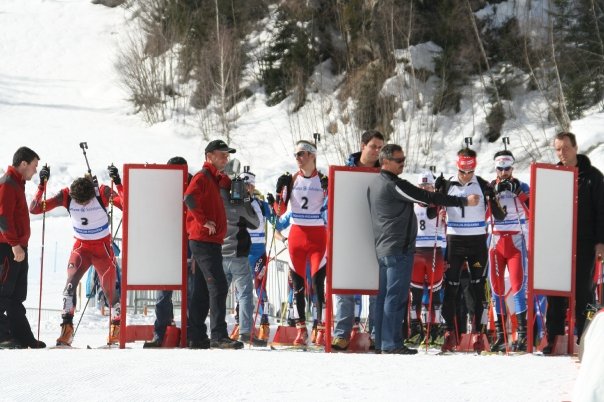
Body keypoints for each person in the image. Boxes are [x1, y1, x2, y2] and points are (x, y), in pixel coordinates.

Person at [367, 144, 479, 354]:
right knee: (396, 297)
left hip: (384, 246)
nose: (403, 164)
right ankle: (391, 344)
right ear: (385, 162)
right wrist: (463, 201)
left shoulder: (374, 184)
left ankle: (383, 341)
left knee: (384, 296)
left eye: (403, 159)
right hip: (398, 248)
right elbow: (427, 198)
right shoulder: (392, 184)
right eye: (399, 160)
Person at [29, 166, 123, 346]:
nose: (82, 205)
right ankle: (66, 331)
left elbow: (126, 205)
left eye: (86, 202)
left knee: (109, 291)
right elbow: (34, 209)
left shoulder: (102, 191)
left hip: (102, 249)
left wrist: (118, 182)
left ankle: (116, 330)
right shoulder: (66, 195)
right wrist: (42, 185)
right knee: (68, 289)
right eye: (78, 203)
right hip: (81, 248)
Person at [435, 147, 506, 353]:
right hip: (455, 242)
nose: (466, 176)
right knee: (451, 287)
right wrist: (437, 194)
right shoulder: (448, 184)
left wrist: (492, 197)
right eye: (462, 172)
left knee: (477, 287)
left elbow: (499, 217)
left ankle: (478, 334)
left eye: (469, 172)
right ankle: (449, 333)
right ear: (457, 167)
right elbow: (432, 214)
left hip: (476, 244)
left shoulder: (483, 185)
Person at [544, 132, 604, 354]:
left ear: (576, 147)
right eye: (558, 149)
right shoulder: (552, 175)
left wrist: (601, 242)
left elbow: (602, 212)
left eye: (566, 148)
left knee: (585, 292)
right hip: (558, 243)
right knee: (555, 291)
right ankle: (554, 338)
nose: (562, 153)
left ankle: (586, 335)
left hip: (586, 243)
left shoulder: (594, 177)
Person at [184, 139, 243, 349]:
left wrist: (239, 183)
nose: (226, 158)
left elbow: (229, 186)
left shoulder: (215, 177)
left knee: (201, 289)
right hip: (203, 240)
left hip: (209, 241)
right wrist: (203, 220)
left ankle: (197, 335)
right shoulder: (202, 176)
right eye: (222, 154)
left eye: (227, 155)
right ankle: (218, 335)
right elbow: (189, 197)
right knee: (218, 285)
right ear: (209, 156)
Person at [332, 130, 384, 351]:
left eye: (380, 147)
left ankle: (375, 333)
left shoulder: (383, 172)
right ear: (362, 146)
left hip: (375, 234)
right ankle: (342, 333)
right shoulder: (346, 170)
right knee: (345, 284)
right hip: (348, 234)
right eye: (373, 146)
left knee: (376, 284)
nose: (376, 151)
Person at [273, 139, 328, 346]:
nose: (298, 158)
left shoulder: (324, 179)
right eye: (296, 154)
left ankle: (320, 328)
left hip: (317, 236)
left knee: (316, 284)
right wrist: (279, 193)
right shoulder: (292, 178)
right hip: (297, 234)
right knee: (297, 286)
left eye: (302, 154)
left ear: (312, 155)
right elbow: (279, 212)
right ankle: (301, 329)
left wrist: (329, 190)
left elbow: (333, 206)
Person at [143, 156, 192, 348]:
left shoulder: (193, 186)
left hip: (189, 249)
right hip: (167, 249)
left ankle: (190, 333)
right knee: (163, 296)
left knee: (190, 294)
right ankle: (160, 333)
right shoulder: (162, 188)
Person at [0, 146, 45, 349]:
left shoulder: (17, 184)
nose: (35, 171)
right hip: (8, 248)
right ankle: (2, 336)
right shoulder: (7, 184)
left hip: (19, 248)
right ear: (24, 163)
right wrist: (15, 246)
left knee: (17, 295)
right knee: (3, 293)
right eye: (34, 166)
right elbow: (3, 218)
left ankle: (23, 337)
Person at [488, 150, 530, 352]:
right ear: (495, 168)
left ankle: (522, 335)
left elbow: (534, 211)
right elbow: (483, 215)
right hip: (496, 241)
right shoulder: (489, 186)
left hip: (515, 241)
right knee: (496, 289)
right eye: (500, 169)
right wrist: (492, 195)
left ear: (512, 168)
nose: (504, 173)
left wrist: (519, 194)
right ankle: (501, 335)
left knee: (518, 287)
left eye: (507, 168)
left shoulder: (521, 185)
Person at [219, 169, 263, 346]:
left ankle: (217, 331)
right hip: (238, 254)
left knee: (219, 295)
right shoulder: (241, 204)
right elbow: (255, 223)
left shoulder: (221, 199)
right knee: (245, 295)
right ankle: (245, 332)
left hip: (221, 253)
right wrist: (246, 202)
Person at [405, 171, 447, 346]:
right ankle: (416, 329)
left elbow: (447, 225)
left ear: (432, 187)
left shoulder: (438, 204)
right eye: (421, 187)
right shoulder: (412, 204)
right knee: (415, 294)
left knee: (435, 293)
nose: (424, 189)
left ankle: (435, 329)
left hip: (434, 250)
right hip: (416, 251)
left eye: (427, 186)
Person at [234, 170, 273, 342]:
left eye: (249, 185)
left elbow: (275, 218)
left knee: (259, 285)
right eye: (243, 185)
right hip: (242, 249)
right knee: (241, 288)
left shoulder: (260, 204)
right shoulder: (235, 202)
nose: (246, 188)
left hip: (258, 251)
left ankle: (264, 324)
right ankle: (240, 324)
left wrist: (276, 204)